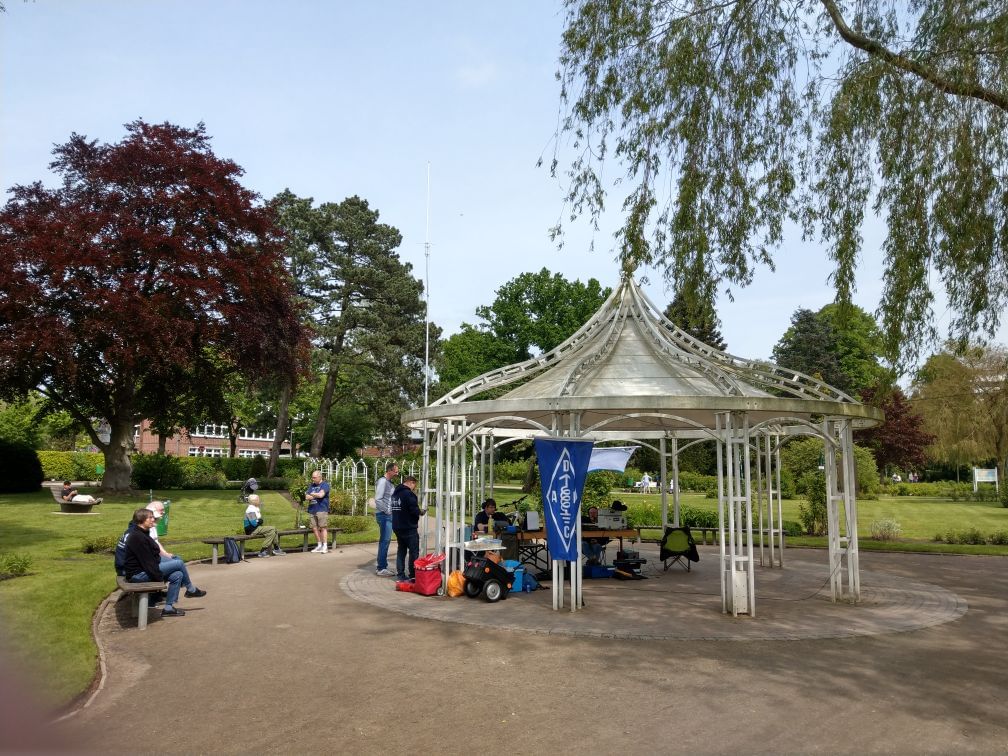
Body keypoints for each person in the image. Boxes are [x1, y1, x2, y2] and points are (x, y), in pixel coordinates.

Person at [122, 508, 189, 617]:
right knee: (179, 563)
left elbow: (153, 559)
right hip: (138, 575)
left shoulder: (143, 533)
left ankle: (168, 608)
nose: (153, 519)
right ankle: (190, 589)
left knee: (178, 575)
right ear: (141, 520)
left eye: (153, 517)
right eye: (150, 517)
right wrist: (160, 578)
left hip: (146, 570)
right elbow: (148, 563)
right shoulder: (137, 537)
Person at [141, 501, 207, 599]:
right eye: (161, 510)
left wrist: (165, 553)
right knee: (178, 564)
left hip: (152, 559)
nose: (163, 513)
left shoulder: (151, 525)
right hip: (148, 563)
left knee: (177, 562)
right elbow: (153, 547)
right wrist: (165, 555)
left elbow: (156, 542)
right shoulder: (145, 528)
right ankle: (190, 589)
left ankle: (169, 600)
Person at [391, 475, 421, 582]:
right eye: (414, 485)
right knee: (414, 552)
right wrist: (420, 513)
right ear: (411, 482)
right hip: (408, 527)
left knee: (401, 550)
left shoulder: (395, 493)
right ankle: (413, 575)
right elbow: (414, 510)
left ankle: (400, 575)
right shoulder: (409, 494)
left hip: (397, 526)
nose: (414, 488)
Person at [374, 461, 398, 576]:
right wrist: (387, 511)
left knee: (385, 540)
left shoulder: (388, 482)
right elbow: (378, 499)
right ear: (389, 471)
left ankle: (382, 566)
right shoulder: (383, 481)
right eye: (395, 472)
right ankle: (381, 568)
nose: (397, 474)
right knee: (385, 540)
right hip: (384, 515)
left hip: (387, 515)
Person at [304, 470, 331, 554]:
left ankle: (325, 546)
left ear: (320, 477)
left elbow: (321, 495)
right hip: (312, 509)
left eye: (314, 477)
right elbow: (306, 496)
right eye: (312, 477)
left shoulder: (325, 485)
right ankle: (319, 545)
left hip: (321, 509)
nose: (313, 479)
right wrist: (315, 494)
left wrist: (312, 494)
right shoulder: (312, 485)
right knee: (314, 528)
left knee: (323, 527)